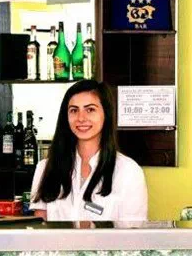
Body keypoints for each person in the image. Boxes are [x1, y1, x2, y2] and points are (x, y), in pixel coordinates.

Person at [30, 80, 148, 221]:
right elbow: (40, 228)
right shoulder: (45, 168)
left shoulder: (128, 171)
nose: (81, 118)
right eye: (74, 110)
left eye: (90, 110)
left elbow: (133, 232)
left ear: (106, 114)